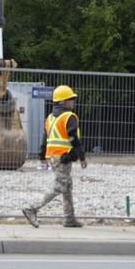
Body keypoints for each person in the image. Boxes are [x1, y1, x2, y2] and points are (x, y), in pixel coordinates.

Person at [22, 85, 87, 228]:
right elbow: (73, 139)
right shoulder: (69, 117)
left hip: (54, 156)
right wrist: (81, 156)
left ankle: (69, 219)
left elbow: (45, 139)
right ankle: (32, 208)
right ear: (62, 102)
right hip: (63, 157)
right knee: (60, 186)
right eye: (70, 99)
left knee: (67, 186)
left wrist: (42, 156)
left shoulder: (50, 118)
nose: (73, 101)